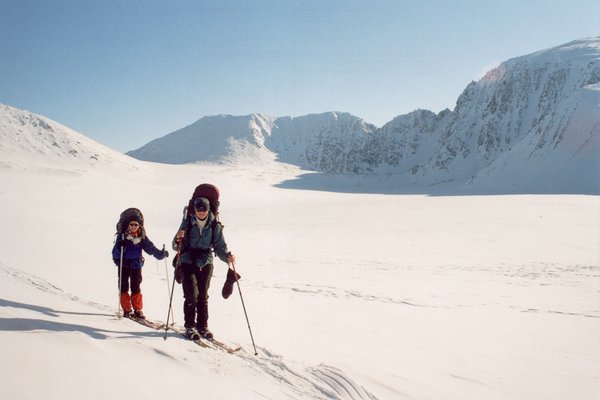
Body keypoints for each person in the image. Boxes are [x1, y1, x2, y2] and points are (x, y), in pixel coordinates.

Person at [173, 196, 235, 339]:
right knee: (190, 294)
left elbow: (219, 246)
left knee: (202, 294)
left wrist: (227, 256)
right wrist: (178, 238)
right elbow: (175, 246)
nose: (201, 212)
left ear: (208, 209)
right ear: (194, 210)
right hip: (188, 259)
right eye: (198, 209)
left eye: (204, 209)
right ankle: (190, 326)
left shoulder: (214, 225)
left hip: (206, 261)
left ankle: (202, 326)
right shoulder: (187, 222)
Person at [112, 214, 168, 319]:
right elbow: (115, 252)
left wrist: (160, 254)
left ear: (139, 225)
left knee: (136, 287)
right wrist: (119, 246)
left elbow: (150, 248)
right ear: (128, 225)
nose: (133, 226)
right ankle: (126, 309)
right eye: (131, 224)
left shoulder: (141, 236)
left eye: (136, 224)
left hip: (136, 264)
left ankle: (137, 309)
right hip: (124, 264)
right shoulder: (122, 236)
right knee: (123, 286)